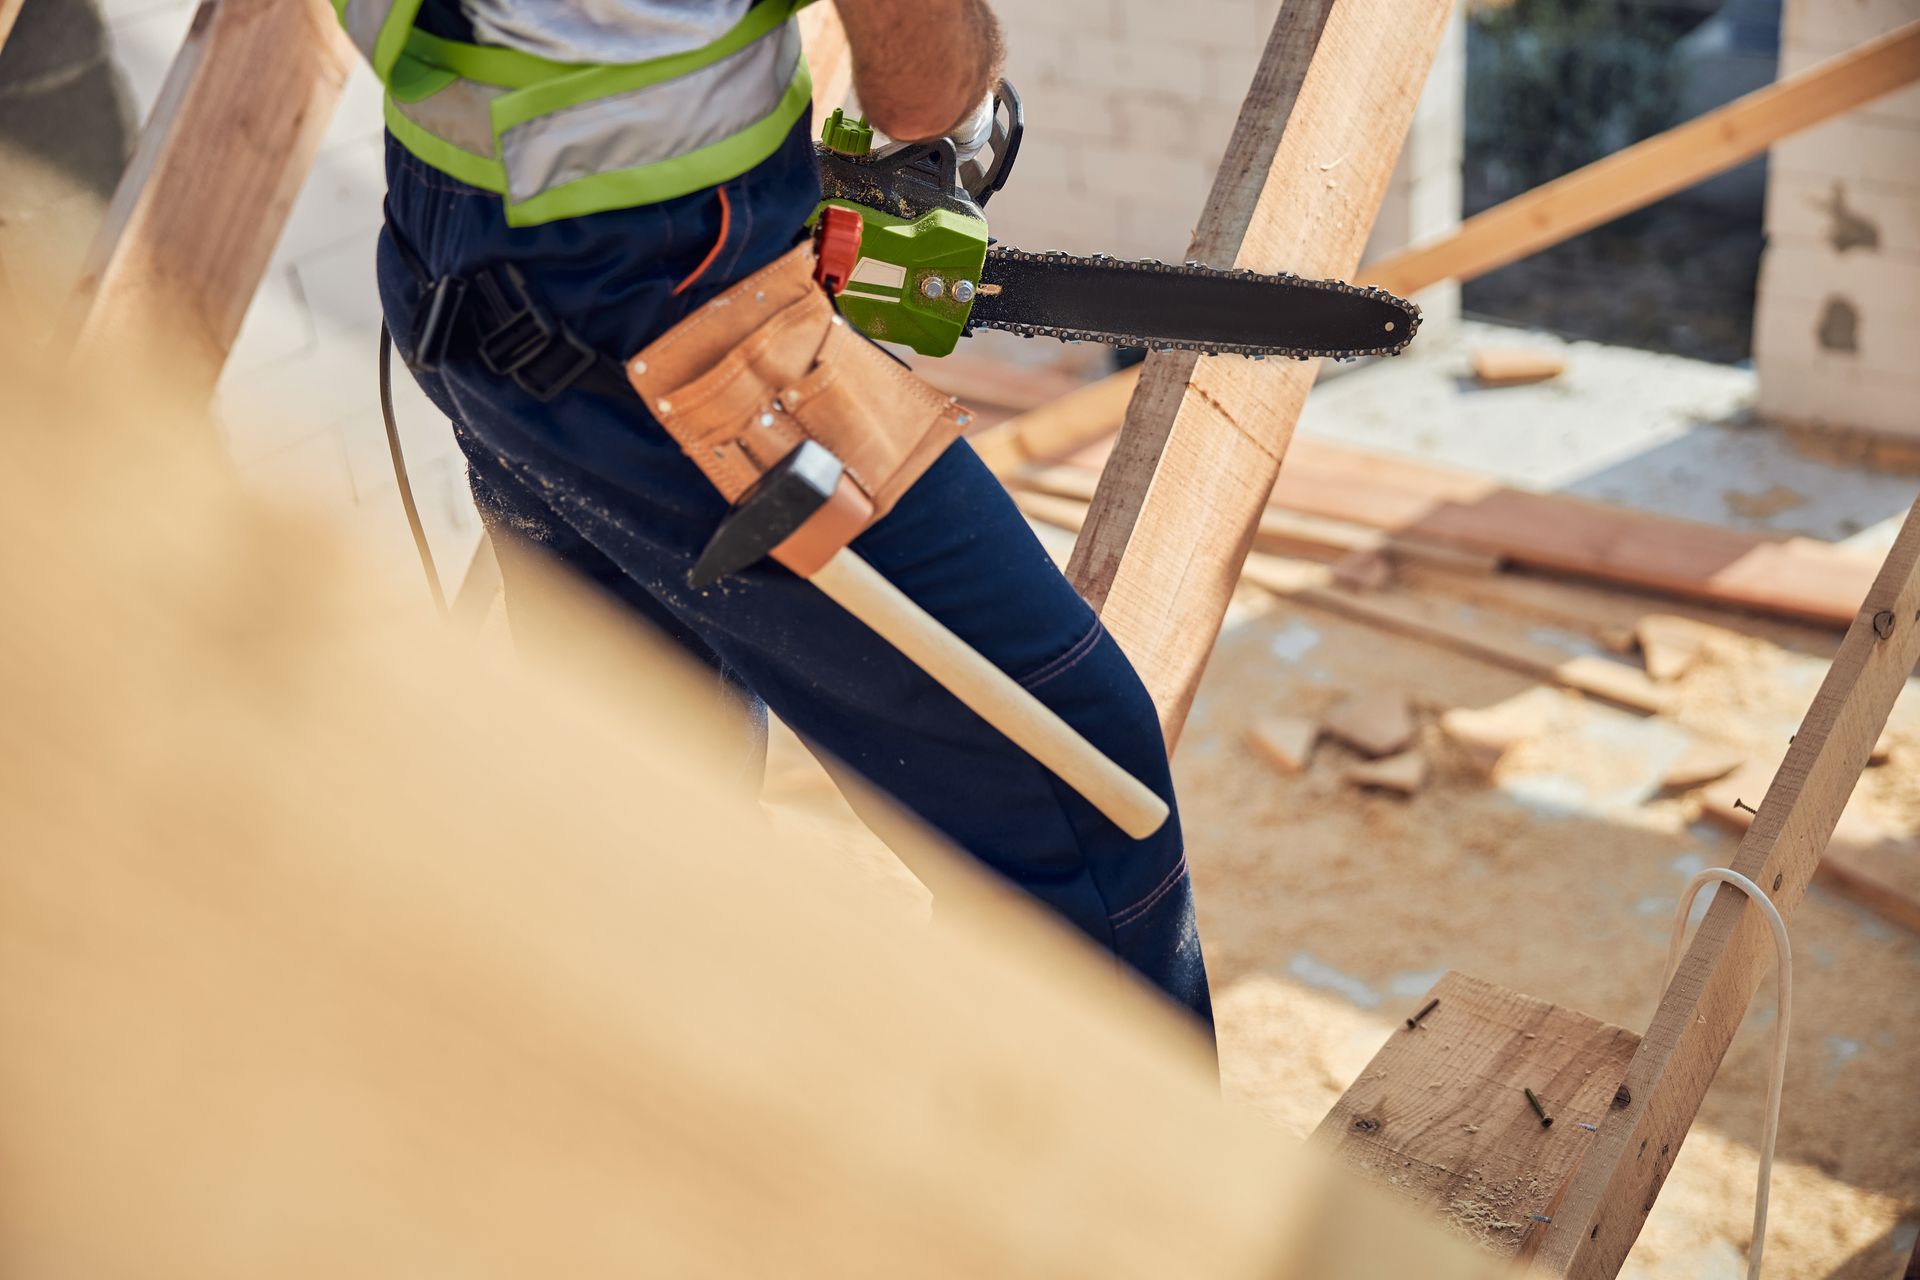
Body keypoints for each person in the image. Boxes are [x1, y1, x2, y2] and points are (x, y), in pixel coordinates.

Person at [342, 0, 1213, 1032]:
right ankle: (1121, 1194)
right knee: (1086, 790)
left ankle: (687, 1154)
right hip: (672, 311)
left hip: (464, 268)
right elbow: (921, 81)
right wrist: (965, 113)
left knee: (652, 792)